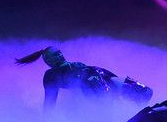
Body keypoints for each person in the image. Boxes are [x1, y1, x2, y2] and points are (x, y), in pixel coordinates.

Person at [15, 46, 153, 109]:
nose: (61, 55)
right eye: (56, 54)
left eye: (60, 52)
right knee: (108, 101)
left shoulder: (75, 65)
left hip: (101, 75)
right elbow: (50, 101)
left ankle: (137, 106)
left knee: (143, 93)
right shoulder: (50, 75)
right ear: (49, 61)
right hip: (91, 84)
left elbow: (98, 73)